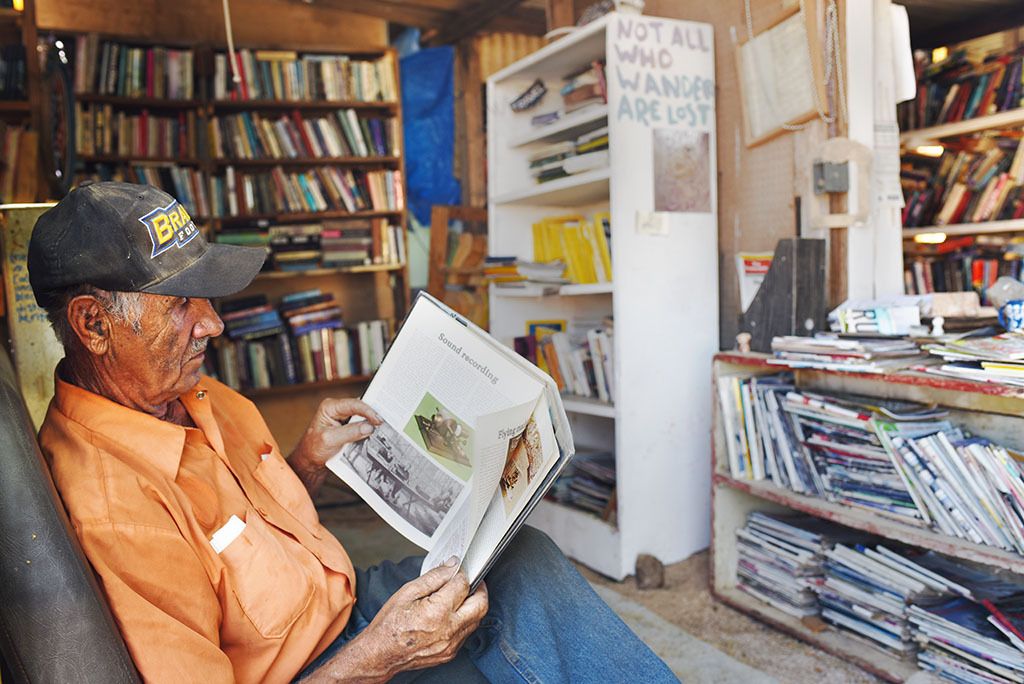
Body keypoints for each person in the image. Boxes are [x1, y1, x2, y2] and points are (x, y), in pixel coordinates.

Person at [30, 182, 677, 683]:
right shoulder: (112, 508)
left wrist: (306, 463)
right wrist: (381, 655)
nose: (213, 325)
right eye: (181, 305)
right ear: (93, 325)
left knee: (524, 559)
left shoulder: (187, 391)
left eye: (206, 297)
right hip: (329, 665)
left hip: (343, 606)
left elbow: (232, 536)